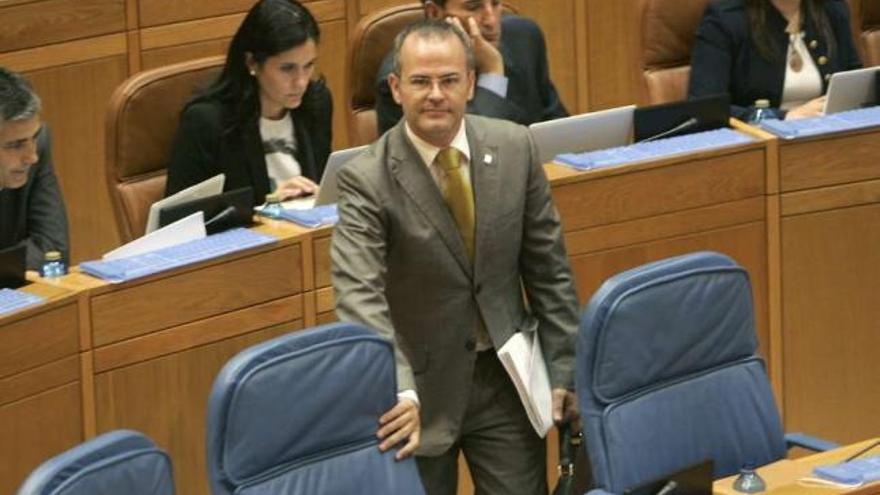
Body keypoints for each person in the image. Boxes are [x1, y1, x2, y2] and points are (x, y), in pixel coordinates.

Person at [332, 20, 579, 495]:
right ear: (396, 88)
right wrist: (398, 388)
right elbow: (358, 297)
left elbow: (550, 270)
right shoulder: (365, 179)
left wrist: (564, 367)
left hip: (505, 381)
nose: (435, 95)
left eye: (448, 80)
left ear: (470, 83)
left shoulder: (515, 147)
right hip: (416, 394)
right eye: (420, 82)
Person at [165, 0, 332, 205]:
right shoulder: (208, 123)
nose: (301, 82)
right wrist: (268, 206)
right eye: (287, 68)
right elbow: (183, 220)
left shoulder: (316, 103)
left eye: (308, 66)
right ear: (252, 62)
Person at [374, 0, 568, 135]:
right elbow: (470, 156)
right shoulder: (407, 78)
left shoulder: (524, 39)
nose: (491, 21)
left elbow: (557, 128)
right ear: (434, 13)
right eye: (474, 7)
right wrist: (493, 72)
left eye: (495, 3)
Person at [689, 0, 861, 121]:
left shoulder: (831, 8)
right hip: (762, 144)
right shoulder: (725, 19)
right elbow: (705, 108)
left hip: (832, 133)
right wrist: (784, 117)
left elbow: (855, 82)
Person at [0, 67, 68, 270]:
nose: (32, 156)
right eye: (15, 145)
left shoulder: (38, 145)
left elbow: (53, 250)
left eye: (34, 137)